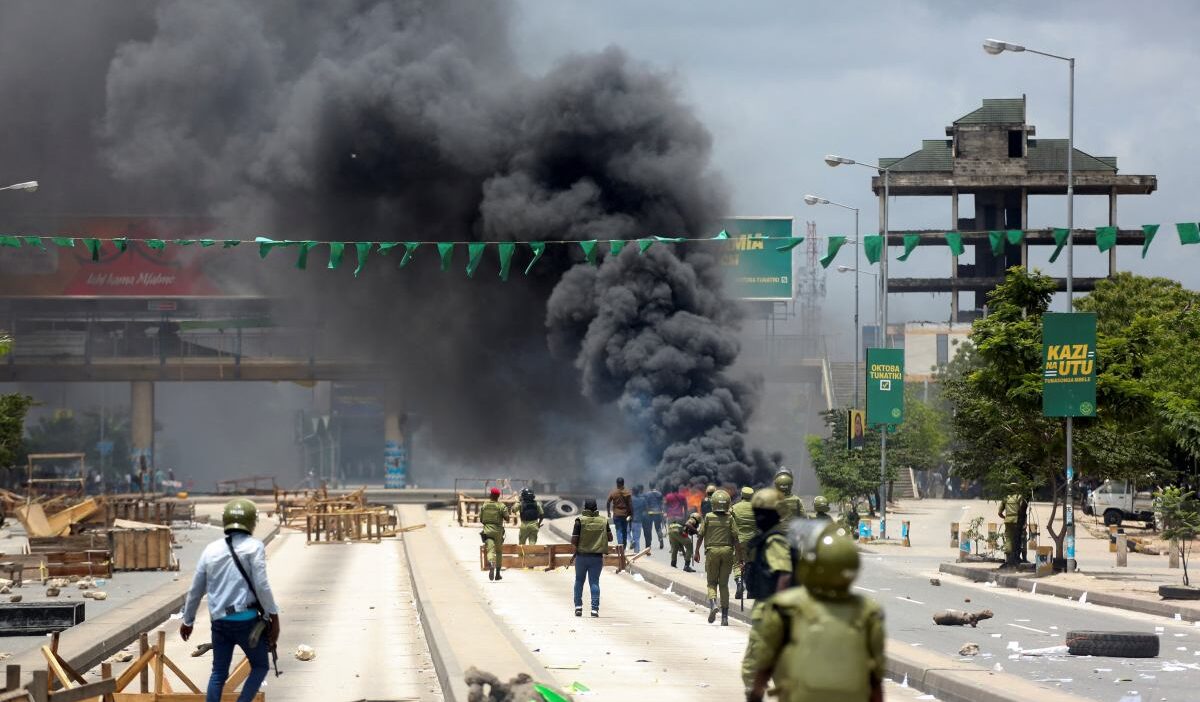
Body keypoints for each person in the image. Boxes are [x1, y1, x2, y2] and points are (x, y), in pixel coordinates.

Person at [742, 522, 885, 702]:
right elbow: (875, 677)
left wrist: (755, 695)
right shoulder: (868, 612)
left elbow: (766, 661)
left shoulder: (787, 606)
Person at [180, 499, 280, 702]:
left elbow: (195, 590)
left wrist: (187, 621)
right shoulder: (254, 547)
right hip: (247, 621)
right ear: (252, 522)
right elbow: (262, 585)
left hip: (219, 623)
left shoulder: (211, 550)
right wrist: (273, 616)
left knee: (218, 674)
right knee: (260, 666)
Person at [740, 488, 795, 688]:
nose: (760, 517)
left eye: (765, 514)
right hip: (765, 609)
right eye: (758, 513)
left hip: (770, 612)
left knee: (754, 669)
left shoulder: (775, 540)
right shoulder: (765, 538)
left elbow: (784, 573)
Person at [694, 489, 741, 626]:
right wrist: (740, 558)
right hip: (727, 552)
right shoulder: (730, 518)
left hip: (712, 552)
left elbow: (700, 535)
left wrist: (696, 552)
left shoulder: (708, 516)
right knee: (724, 585)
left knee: (711, 583)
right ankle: (725, 618)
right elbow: (736, 539)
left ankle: (713, 603)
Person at [571, 498, 613, 617]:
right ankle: (594, 610)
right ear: (596, 508)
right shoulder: (603, 521)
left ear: (585, 507)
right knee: (594, 582)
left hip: (581, 557)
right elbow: (610, 538)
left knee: (579, 581)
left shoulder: (579, 521)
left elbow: (574, 540)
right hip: (596, 558)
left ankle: (578, 607)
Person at [730, 486, 759, 602]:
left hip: (739, 541)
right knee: (751, 564)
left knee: (737, 563)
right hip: (753, 541)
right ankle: (751, 591)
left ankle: (739, 583)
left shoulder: (735, 508)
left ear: (741, 495)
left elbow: (730, 523)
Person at [480, 487, 509, 581]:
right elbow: (507, 519)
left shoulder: (484, 505)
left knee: (490, 550)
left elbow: (481, 519)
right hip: (498, 532)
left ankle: (491, 563)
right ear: (498, 496)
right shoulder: (501, 506)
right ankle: (497, 574)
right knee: (499, 552)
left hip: (488, 531)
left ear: (490, 495)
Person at [998, 482, 1025, 568]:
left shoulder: (1005, 498)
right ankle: (1017, 558)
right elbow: (1022, 510)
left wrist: (1005, 518)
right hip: (1017, 521)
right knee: (1018, 538)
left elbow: (999, 513)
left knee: (1008, 539)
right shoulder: (1020, 497)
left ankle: (1008, 559)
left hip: (1008, 521)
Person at [606, 477, 634, 552]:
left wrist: (608, 512)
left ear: (617, 483)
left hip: (617, 515)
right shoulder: (627, 493)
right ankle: (624, 547)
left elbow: (608, 502)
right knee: (625, 531)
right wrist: (631, 514)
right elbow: (630, 504)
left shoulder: (613, 492)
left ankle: (620, 546)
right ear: (623, 483)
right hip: (625, 515)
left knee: (618, 530)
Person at [643, 484, 665, 550]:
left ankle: (648, 544)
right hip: (658, 513)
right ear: (655, 486)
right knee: (658, 528)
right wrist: (662, 511)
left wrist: (647, 511)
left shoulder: (647, 494)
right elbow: (661, 503)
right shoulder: (659, 494)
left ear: (649, 486)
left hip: (649, 513)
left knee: (649, 529)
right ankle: (661, 540)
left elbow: (646, 504)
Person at [630, 485, 647, 552]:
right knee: (637, 536)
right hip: (639, 520)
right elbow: (645, 509)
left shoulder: (630, 499)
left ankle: (631, 541)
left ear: (633, 492)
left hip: (631, 520)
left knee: (628, 532)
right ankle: (636, 550)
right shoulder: (643, 499)